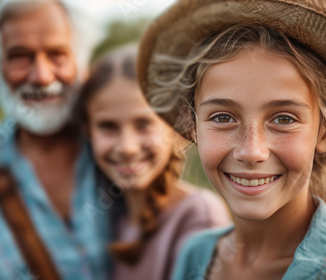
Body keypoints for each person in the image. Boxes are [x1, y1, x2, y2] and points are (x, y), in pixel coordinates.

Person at [136, 0, 326, 279]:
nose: (251, 151)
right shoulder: (194, 256)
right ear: (193, 124)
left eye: (284, 119)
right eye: (223, 118)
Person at [0, 0, 109, 279]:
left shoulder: (119, 150)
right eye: (20, 56)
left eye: (57, 54)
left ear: (82, 64)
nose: (41, 76)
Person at [77, 45, 231, 280]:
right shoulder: (105, 217)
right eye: (107, 126)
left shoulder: (199, 215)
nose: (127, 147)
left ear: (176, 125)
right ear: (88, 130)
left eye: (143, 124)